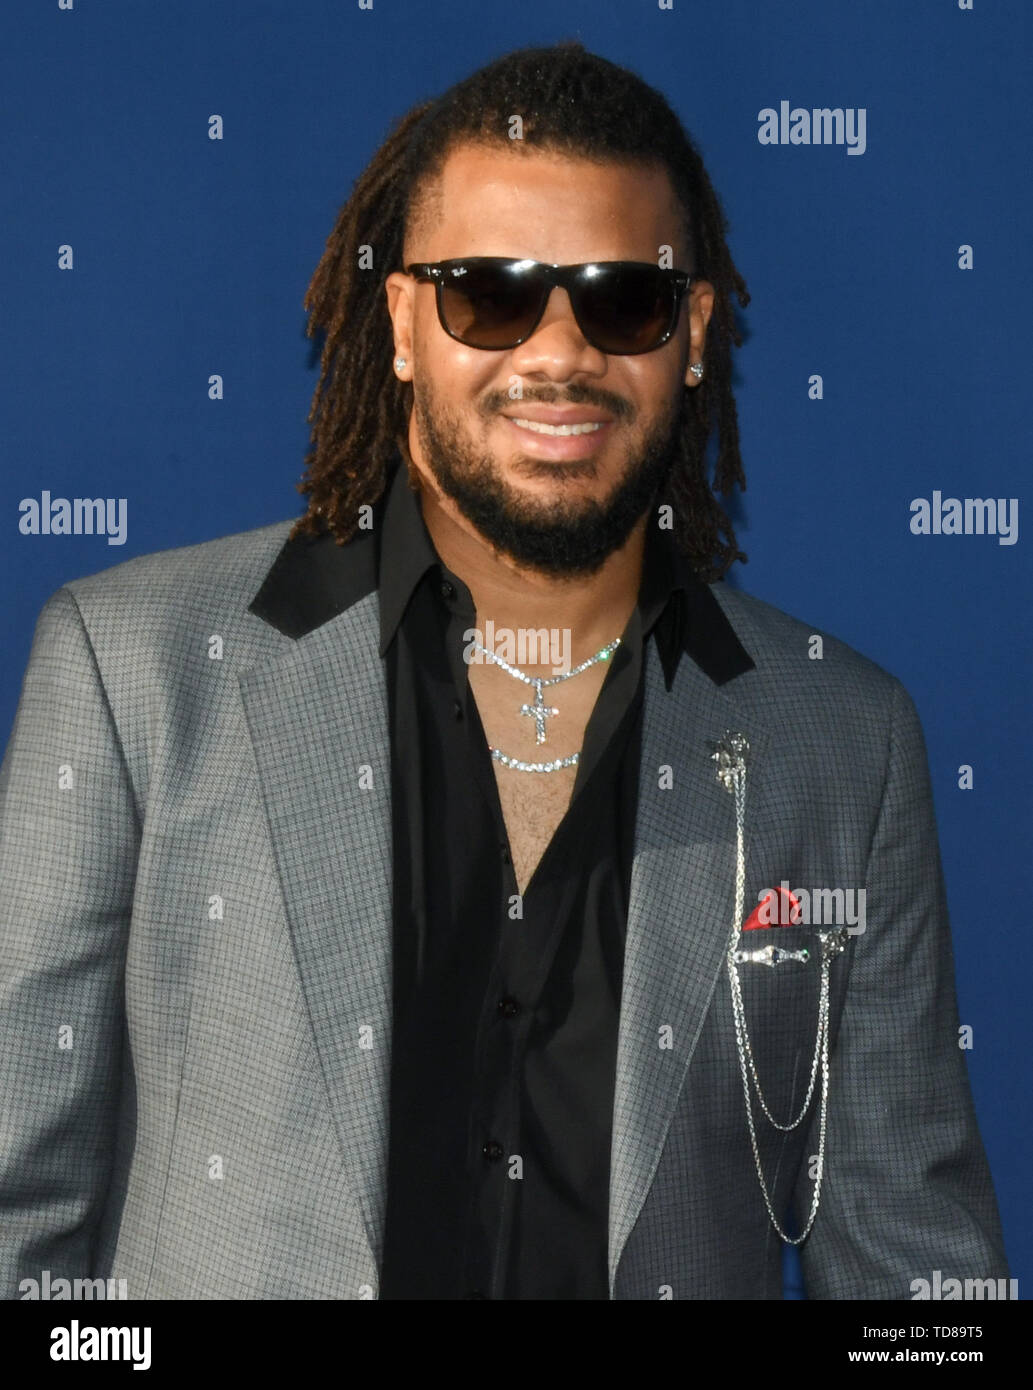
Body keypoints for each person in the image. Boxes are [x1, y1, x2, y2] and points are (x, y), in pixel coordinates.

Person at [0, 41, 1008, 1301]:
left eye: (619, 300)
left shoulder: (843, 741)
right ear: (404, 322)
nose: (558, 352)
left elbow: (912, 1272)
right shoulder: (139, 667)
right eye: (490, 293)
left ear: (691, 333)